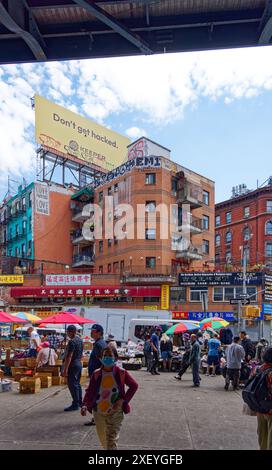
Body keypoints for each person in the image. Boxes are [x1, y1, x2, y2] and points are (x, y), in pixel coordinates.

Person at [81, 347, 138, 450]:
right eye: (105, 356)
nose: (107, 358)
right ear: (100, 358)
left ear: (115, 358)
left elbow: (134, 386)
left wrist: (123, 401)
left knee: (111, 439)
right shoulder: (96, 373)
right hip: (99, 412)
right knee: (104, 440)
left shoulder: (121, 372)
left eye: (110, 356)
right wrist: (85, 404)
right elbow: (90, 391)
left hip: (115, 412)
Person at [85, 324, 107, 426]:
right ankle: (98, 417)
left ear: (99, 332)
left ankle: (97, 418)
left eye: (93, 331)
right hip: (97, 376)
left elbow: (102, 361)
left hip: (98, 377)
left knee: (96, 397)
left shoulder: (99, 344)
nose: (91, 333)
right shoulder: (100, 343)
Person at [61, 325, 83, 412]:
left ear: (70, 332)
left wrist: (65, 369)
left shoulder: (72, 342)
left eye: (67, 332)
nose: (67, 334)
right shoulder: (80, 340)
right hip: (78, 363)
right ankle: (80, 402)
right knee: (77, 384)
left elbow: (69, 356)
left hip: (73, 365)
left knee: (72, 385)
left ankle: (75, 404)